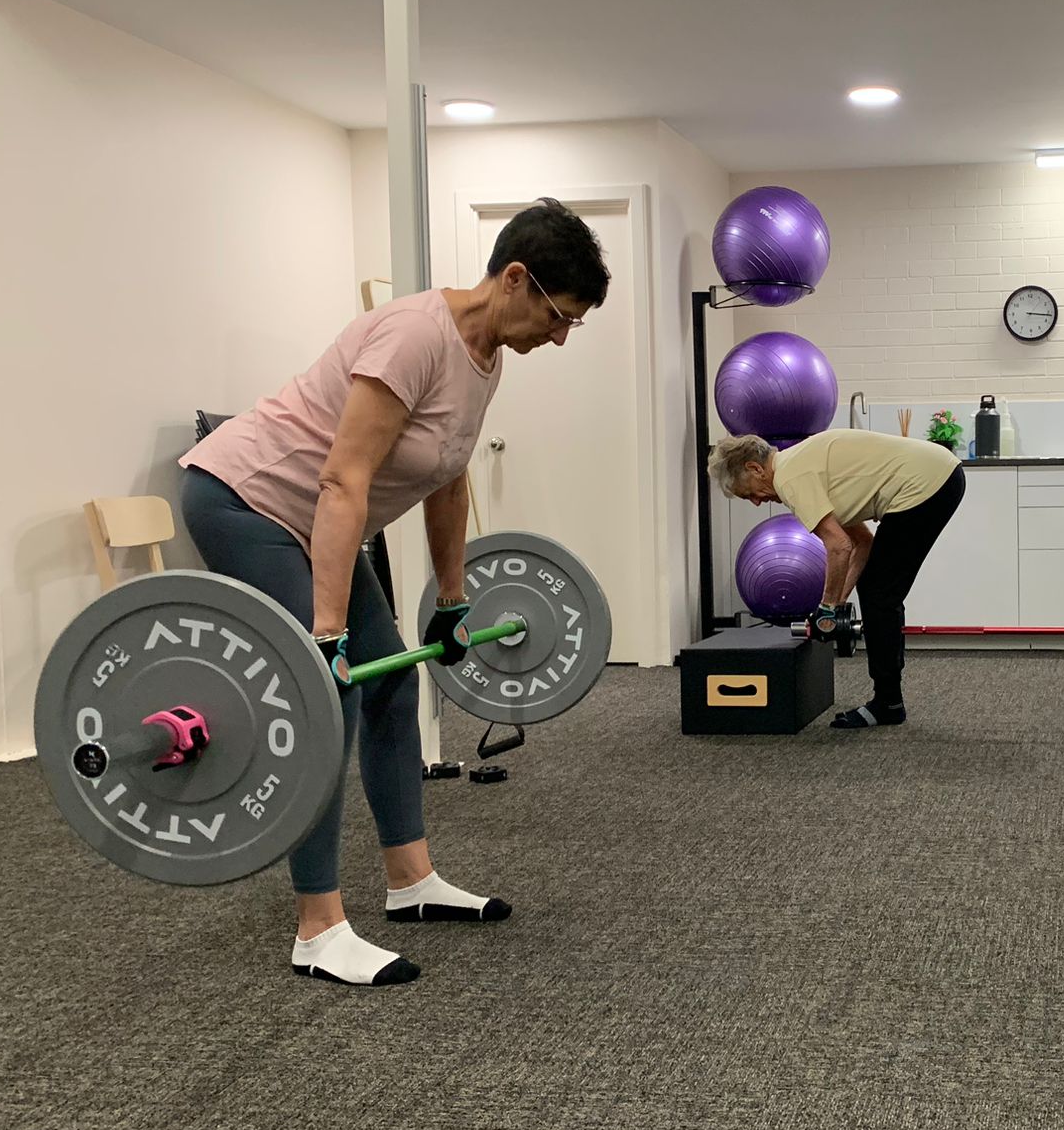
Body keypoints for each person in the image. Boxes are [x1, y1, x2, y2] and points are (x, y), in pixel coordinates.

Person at [179, 199, 610, 986]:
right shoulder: (415, 336)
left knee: (393, 682)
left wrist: (452, 602)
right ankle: (318, 927)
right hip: (248, 501)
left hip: (315, 522)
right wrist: (326, 634)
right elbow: (343, 479)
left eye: (571, 324)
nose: (559, 336)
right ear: (515, 279)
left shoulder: (487, 360)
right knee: (328, 695)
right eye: (558, 316)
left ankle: (411, 882)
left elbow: (446, 481)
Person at [709, 428, 965, 729]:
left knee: (880, 594)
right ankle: (889, 700)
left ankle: (888, 703)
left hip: (927, 484)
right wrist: (836, 605)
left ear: (755, 468)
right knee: (877, 590)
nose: (755, 502)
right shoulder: (799, 466)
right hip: (940, 475)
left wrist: (827, 609)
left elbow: (838, 547)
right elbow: (861, 543)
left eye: (748, 493)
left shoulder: (790, 479)